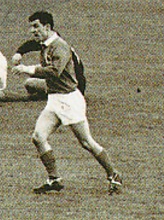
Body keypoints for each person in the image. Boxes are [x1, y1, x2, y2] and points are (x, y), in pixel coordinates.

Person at [12, 11, 122, 194]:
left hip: (70, 100)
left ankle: (114, 174)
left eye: (36, 26)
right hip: (54, 99)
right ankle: (54, 179)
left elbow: (55, 71)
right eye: (31, 27)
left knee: (86, 142)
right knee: (38, 137)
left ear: (47, 27)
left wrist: (27, 69)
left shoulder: (60, 46)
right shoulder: (45, 45)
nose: (32, 31)